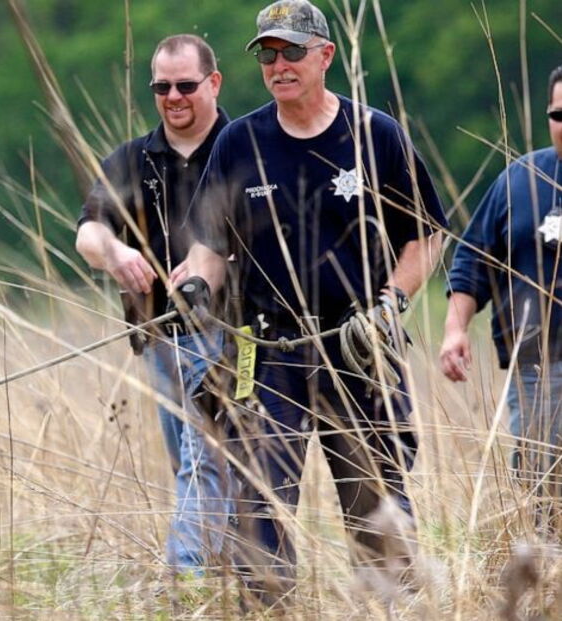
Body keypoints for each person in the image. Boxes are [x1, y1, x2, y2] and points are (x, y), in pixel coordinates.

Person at [174, 0, 448, 601]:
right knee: (258, 508)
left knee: (376, 504)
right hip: (268, 353)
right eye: (268, 55)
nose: (279, 64)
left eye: (292, 51)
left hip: (358, 346)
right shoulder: (238, 141)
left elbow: (425, 234)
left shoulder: (375, 134)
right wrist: (196, 284)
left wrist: (391, 302)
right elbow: (209, 247)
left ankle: (391, 609)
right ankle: (269, 611)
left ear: (325, 55)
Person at [75, 34, 234, 575]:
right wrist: (115, 251)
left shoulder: (247, 147)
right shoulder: (129, 159)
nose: (174, 97)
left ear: (213, 83)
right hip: (160, 338)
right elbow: (88, 232)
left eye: (186, 85)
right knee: (193, 464)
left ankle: (185, 579)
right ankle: (228, 580)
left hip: (235, 336)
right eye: (161, 87)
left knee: (205, 459)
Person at [440, 65, 562, 529]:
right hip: (536, 367)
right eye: (557, 113)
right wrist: (454, 330)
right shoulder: (519, 180)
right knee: (542, 487)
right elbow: (471, 263)